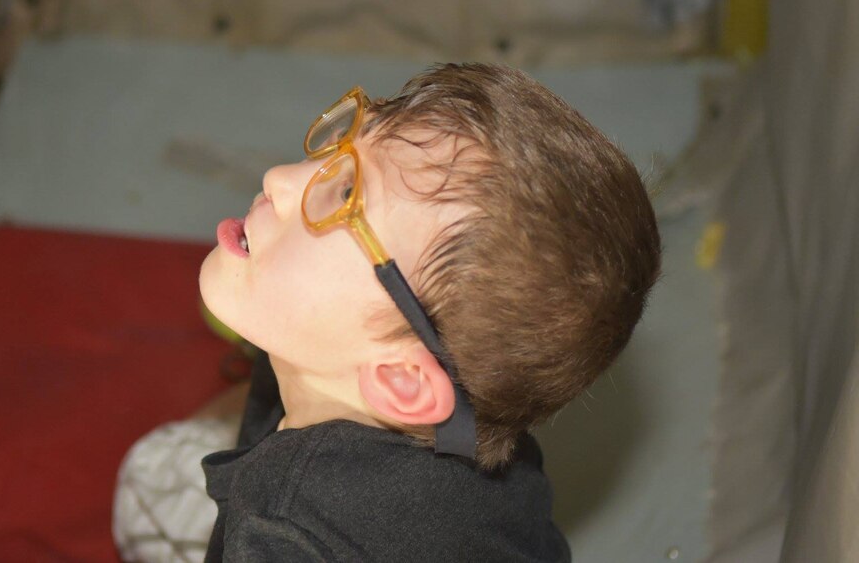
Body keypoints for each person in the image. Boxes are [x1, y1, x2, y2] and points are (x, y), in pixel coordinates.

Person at [151, 63, 659, 561]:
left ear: (403, 380)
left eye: (347, 196)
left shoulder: (278, 530)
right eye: (341, 148)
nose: (281, 178)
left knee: (146, 484)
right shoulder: (496, 454)